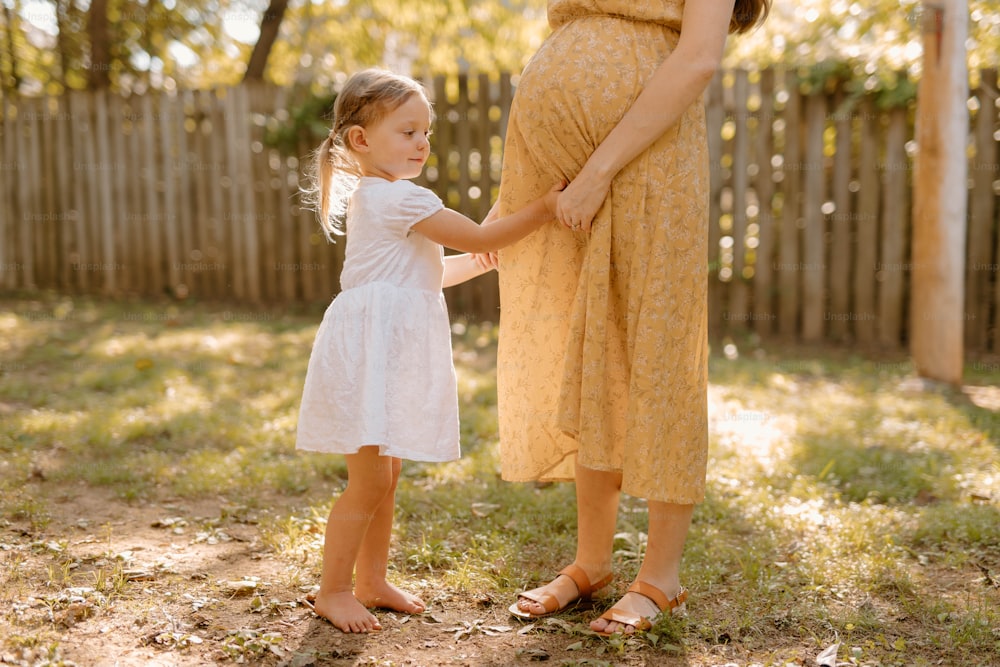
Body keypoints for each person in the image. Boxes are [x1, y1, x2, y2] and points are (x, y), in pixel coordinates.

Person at [488, 0, 770, 636]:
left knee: (657, 346)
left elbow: (697, 58)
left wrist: (596, 173)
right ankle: (591, 562)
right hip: (570, 162)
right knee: (589, 348)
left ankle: (660, 578)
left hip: (647, 155)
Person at [295, 68, 561, 634]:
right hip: (372, 352)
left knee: (385, 477)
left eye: (426, 133)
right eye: (407, 132)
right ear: (361, 141)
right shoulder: (398, 198)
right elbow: (483, 236)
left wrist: (483, 255)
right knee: (368, 481)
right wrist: (543, 208)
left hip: (381, 347)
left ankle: (371, 580)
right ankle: (334, 590)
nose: (421, 143)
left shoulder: (387, 197)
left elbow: (430, 273)